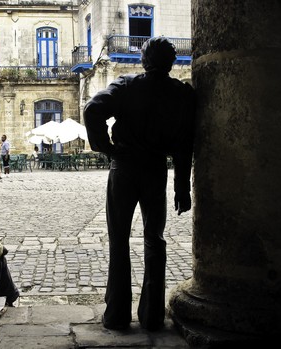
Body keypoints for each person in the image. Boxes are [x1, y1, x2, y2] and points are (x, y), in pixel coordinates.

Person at [84, 36, 195, 331]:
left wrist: (106, 148)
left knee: (119, 240)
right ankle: (152, 315)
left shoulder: (127, 85)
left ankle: (117, 315)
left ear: (144, 60)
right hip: (155, 170)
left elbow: (92, 110)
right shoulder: (182, 94)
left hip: (124, 167)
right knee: (154, 240)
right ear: (171, 62)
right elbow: (185, 145)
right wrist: (182, 188)